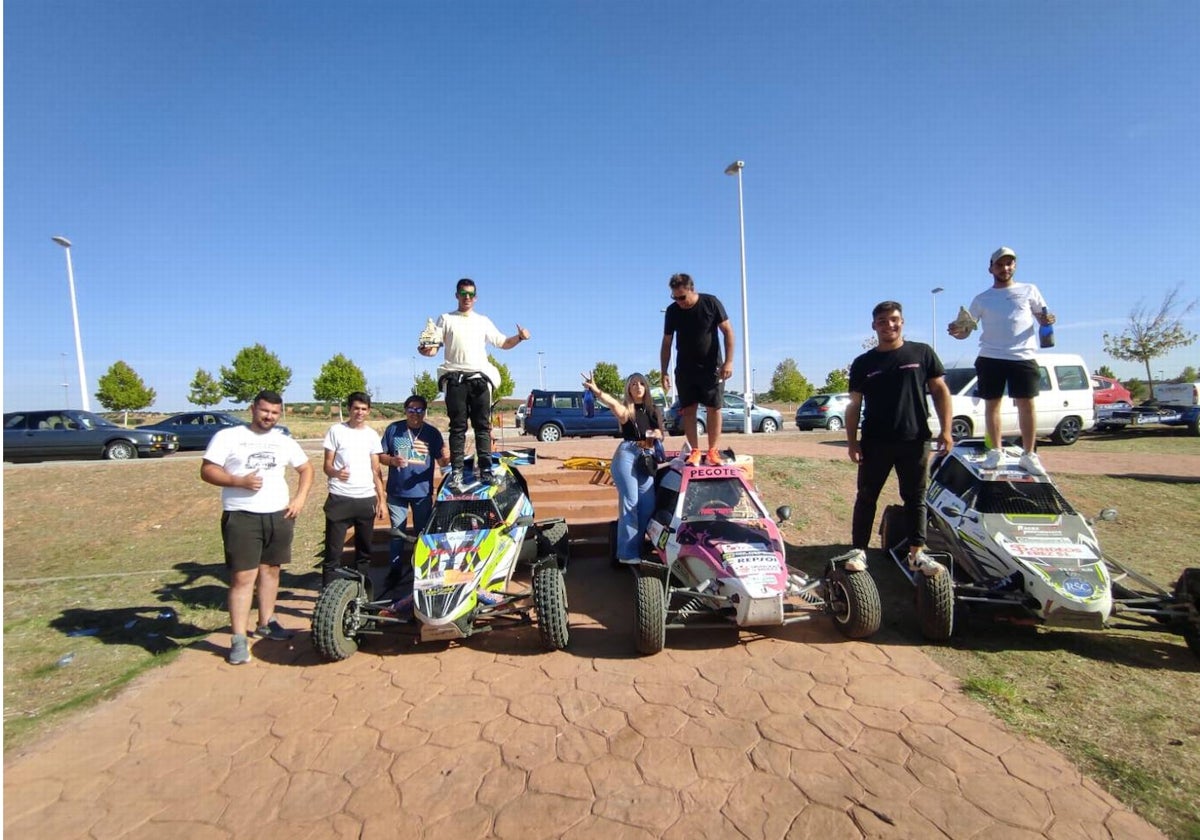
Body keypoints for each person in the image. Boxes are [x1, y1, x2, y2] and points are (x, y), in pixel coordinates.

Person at [837, 301, 953, 577]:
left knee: (915, 498)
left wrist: (946, 430)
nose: (889, 325)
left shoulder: (921, 353)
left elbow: (940, 391)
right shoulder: (864, 363)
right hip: (875, 441)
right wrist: (852, 442)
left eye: (894, 319)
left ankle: (917, 553)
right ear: (874, 326)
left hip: (915, 440)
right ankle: (859, 551)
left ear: (902, 321)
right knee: (866, 497)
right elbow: (854, 405)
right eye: (883, 321)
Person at [201, 390, 313, 665]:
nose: (269, 417)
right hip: (242, 516)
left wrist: (299, 499)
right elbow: (207, 470)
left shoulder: (283, 441)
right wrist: (238, 481)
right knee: (243, 577)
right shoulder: (229, 437)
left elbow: (306, 469)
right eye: (265, 411)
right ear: (253, 409)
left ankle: (266, 621)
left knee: (271, 570)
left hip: (278, 514)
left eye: (275, 413)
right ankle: (238, 638)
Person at [948, 246, 1056, 475]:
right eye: (1000, 264)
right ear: (991, 268)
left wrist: (1048, 318)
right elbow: (966, 330)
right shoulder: (982, 299)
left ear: (1014, 266)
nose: (1005, 268)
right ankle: (995, 451)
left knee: (1027, 405)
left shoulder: (1029, 290)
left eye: (1009, 263)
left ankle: (1029, 455)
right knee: (992, 405)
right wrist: (957, 330)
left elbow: (1042, 317)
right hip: (990, 357)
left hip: (1023, 356)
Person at [419, 278, 530, 490]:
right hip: (455, 378)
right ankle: (457, 472)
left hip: (479, 379)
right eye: (463, 293)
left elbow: (503, 343)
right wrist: (424, 350)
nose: (467, 297)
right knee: (458, 427)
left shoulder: (483, 321)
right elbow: (433, 348)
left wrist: (520, 337)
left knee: (483, 426)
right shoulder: (445, 319)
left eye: (470, 294)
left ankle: (486, 470)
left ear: (476, 297)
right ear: (456, 295)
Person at [582, 371, 664, 565]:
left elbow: (660, 432)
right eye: (633, 384)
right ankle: (627, 554)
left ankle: (635, 546)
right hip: (627, 455)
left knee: (647, 506)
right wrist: (597, 391)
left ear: (646, 388)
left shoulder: (653, 410)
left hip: (647, 457)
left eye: (641, 383)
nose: (638, 387)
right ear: (629, 388)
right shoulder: (627, 411)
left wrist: (657, 434)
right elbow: (613, 403)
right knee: (631, 502)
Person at [660, 272, 735, 467]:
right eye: (674, 298)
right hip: (685, 369)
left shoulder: (711, 303)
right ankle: (694, 451)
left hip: (711, 368)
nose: (679, 301)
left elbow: (728, 331)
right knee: (689, 410)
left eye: (682, 297)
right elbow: (667, 343)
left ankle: (712, 451)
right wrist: (664, 371)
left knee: (714, 408)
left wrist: (729, 362)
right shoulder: (672, 311)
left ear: (692, 290)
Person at [320, 391, 385, 588]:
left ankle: (361, 592)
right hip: (340, 498)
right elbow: (326, 466)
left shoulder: (372, 435)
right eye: (356, 408)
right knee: (333, 552)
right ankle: (329, 592)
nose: (359, 412)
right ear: (349, 409)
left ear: (369, 411)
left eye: (364, 409)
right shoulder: (336, 431)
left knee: (364, 552)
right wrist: (335, 472)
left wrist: (381, 499)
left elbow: (376, 469)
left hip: (365, 500)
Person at [380, 393, 449, 567]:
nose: (415, 413)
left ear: (425, 412)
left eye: (419, 410)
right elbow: (380, 456)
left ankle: (421, 567)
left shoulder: (432, 433)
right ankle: (395, 570)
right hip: (397, 492)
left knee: (422, 532)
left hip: (422, 493)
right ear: (405, 411)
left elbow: (442, 463)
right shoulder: (394, 429)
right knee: (397, 532)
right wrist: (391, 461)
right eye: (411, 409)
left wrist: (448, 457)